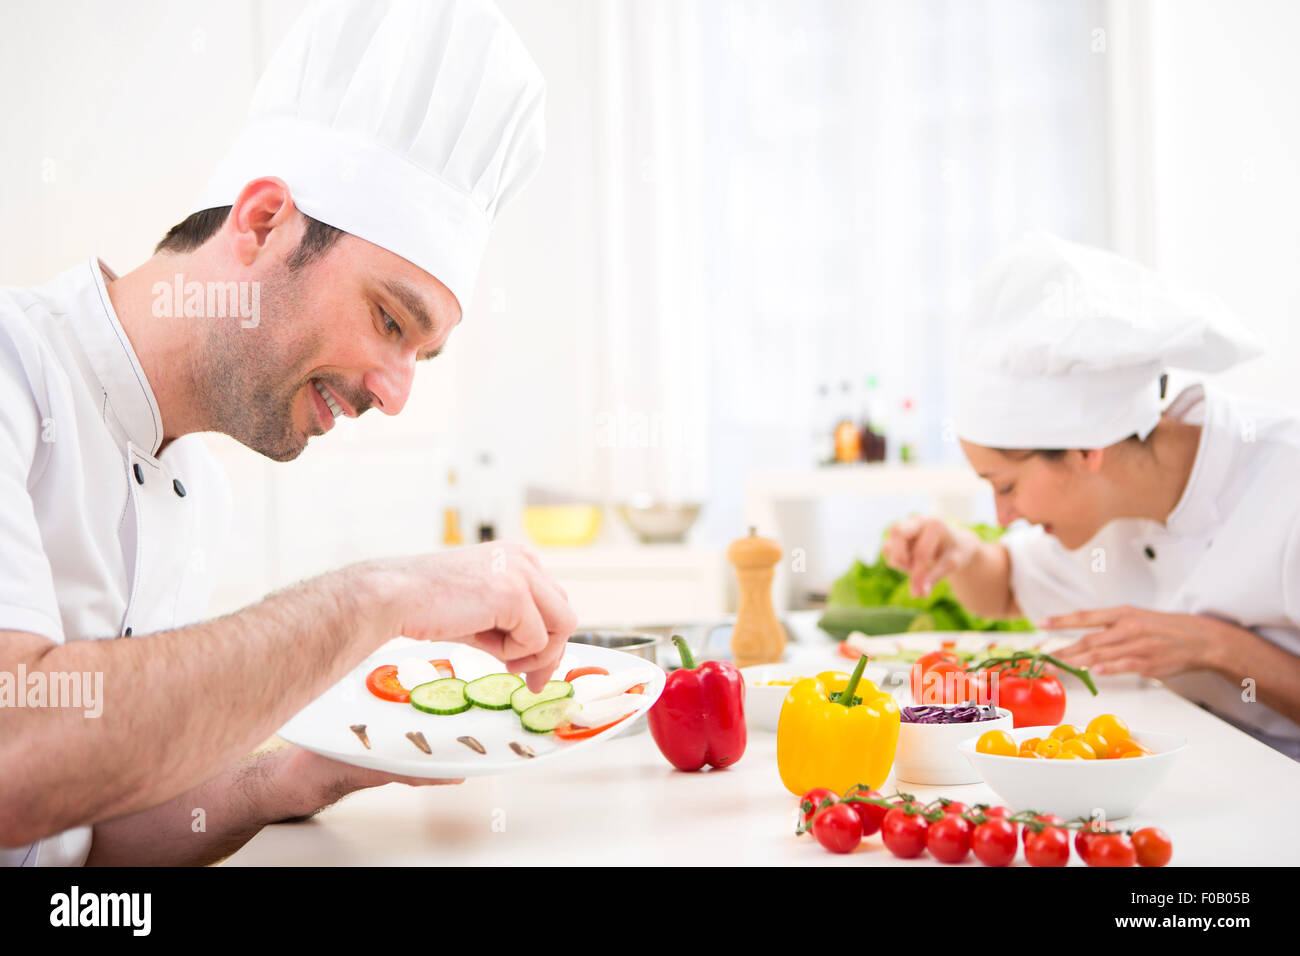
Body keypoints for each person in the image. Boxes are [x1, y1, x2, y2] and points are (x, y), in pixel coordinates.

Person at [0, 0, 576, 867]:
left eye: (422, 354)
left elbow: (80, 837)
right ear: (264, 222)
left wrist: (305, 775)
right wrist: (378, 598)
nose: (396, 394)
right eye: (390, 321)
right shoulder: (13, 372)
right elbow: (16, 761)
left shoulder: (196, 489)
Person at [884, 233, 1300, 759]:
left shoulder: (1286, 482)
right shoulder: (1110, 501)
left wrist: (1215, 646)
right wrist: (961, 552)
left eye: (1005, 486)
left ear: (1086, 450)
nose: (1004, 515)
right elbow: (1007, 589)